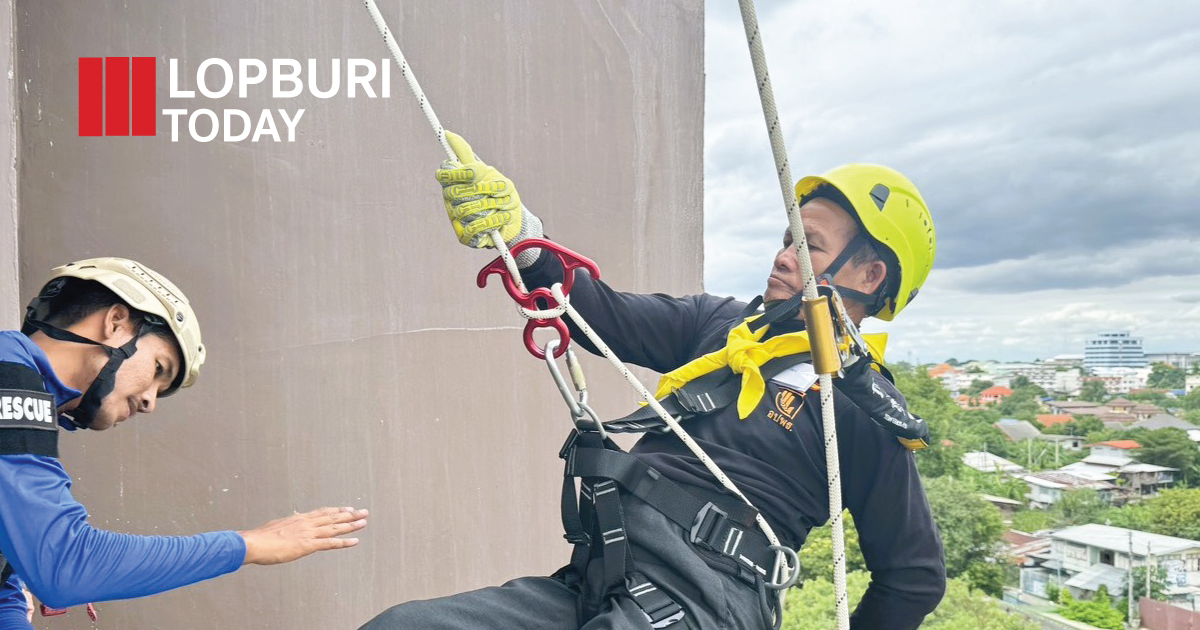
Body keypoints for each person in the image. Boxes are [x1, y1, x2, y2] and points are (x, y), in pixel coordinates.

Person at [359, 132, 945, 630]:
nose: (784, 255)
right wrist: (520, 238)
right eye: (788, 238)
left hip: (703, 602)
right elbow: (601, 315)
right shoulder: (719, 325)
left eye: (809, 245)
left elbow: (914, 575)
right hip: (600, 578)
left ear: (870, 275)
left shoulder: (865, 412)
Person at [0, 258, 369, 628]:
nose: (149, 402)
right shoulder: (8, 370)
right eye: (159, 369)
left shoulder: (25, 397)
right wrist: (250, 545)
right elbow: (65, 566)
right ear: (115, 323)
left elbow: (7, 593)